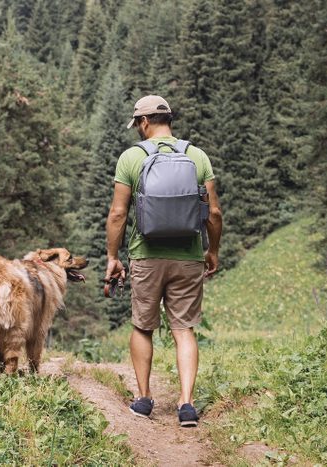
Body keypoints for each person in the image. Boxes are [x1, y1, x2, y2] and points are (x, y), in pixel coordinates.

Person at [105, 95, 223, 427]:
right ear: (168, 119)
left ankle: (143, 399)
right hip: (187, 257)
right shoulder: (197, 156)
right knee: (184, 329)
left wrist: (113, 257)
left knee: (143, 326)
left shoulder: (132, 157)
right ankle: (186, 405)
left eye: (137, 125)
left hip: (146, 255)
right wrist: (211, 250)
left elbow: (118, 213)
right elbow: (213, 212)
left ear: (143, 122)